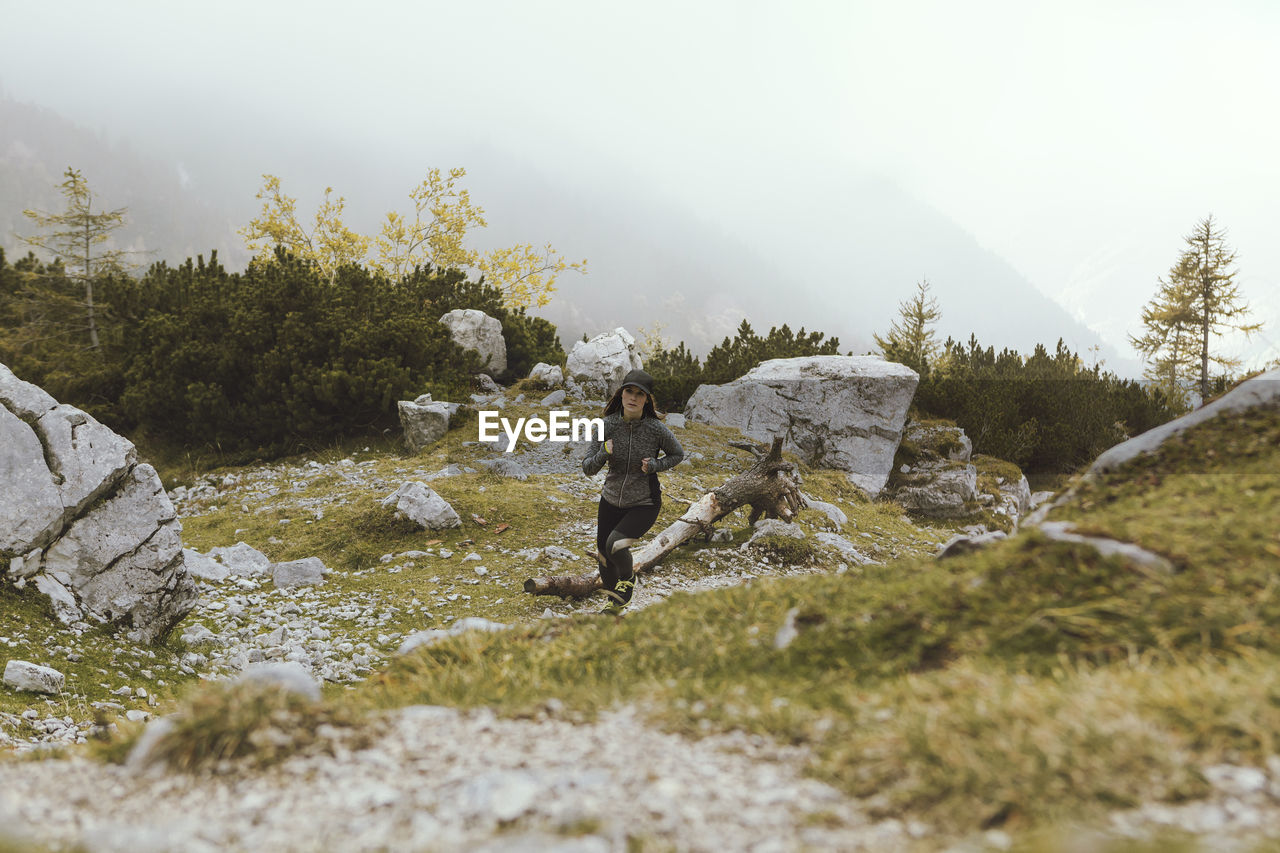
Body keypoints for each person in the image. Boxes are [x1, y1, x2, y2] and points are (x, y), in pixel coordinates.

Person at [581, 368, 685, 613]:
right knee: (604, 555)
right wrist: (603, 453)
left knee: (615, 544)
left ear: (647, 399)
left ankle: (628, 580)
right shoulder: (606, 426)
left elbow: (678, 454)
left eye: (640, 394)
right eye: (629, 391)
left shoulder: (655, 429)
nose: (633, 397)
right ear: (621, 393)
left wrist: (656, 465)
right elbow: (587, 468)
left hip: (644, 502)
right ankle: (613, 604)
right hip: (610, 500)